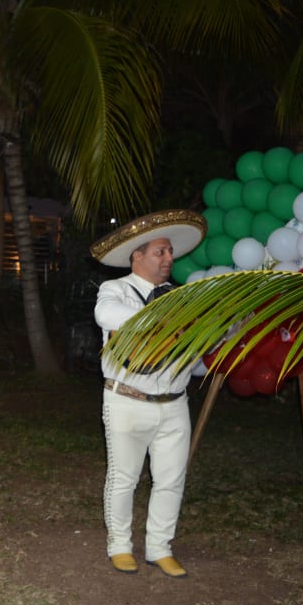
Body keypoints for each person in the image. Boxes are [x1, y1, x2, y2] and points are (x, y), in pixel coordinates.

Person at [91, 209, 207, 578]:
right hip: (127, 401)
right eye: (160, 251)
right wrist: (170, 318)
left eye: (170, 251)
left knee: (172, 479)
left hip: (175, 404)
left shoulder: (183, 297)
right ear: (136, 257)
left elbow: (198, 353)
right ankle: (120, 546)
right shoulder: (115, 290)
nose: (169, 258)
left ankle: (160, 547)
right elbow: (108, 317)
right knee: (124, 478)